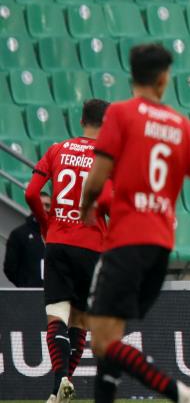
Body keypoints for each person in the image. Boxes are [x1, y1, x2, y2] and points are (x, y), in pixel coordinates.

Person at [79, 43, 190, 403]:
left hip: (125, 242)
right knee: (110, 345)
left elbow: (96, 178)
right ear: (162, 79)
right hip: (159, 250)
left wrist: (87, 206)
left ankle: (180, 393)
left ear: (133, 76)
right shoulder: (181, 125)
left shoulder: (121, 115)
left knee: (101, 340)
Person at [25, 99, 112, 403]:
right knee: (79, 321)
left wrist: (46, 224)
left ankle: (58, 387)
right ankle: (61, 384)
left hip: (58, 242)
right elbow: (111, 203)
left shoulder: (57, 150)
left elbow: (31, 192)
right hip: (91, 246)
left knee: (56, 318)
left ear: (82, 121)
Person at [3, 192, 49, 288]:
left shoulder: (60, 235)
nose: (44, 208)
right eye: (40, 205)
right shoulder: (18, 234)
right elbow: (10, 268)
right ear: (33, 207)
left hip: (56, 297)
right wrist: (25, 286)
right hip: (29, 296)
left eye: (47, 205)